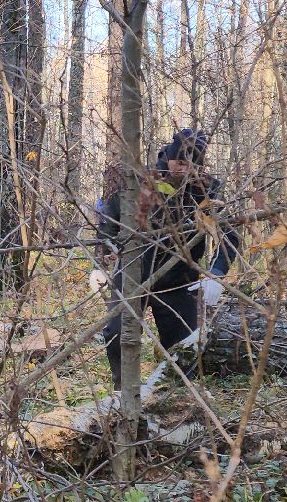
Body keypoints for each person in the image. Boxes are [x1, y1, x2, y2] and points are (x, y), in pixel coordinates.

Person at [94, 129, 240, 381]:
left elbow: (229, 236)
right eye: (180, 162)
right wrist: (103, 257)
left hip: (180, 280)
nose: (184, 169)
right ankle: (123, 394)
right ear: (169, 157)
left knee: (185, 348)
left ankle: (173, 399)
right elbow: (109, 220)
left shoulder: (207, 191)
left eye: (192, 164)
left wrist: (216, 273)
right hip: (131, 275)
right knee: (118, 335)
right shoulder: (140, 182)